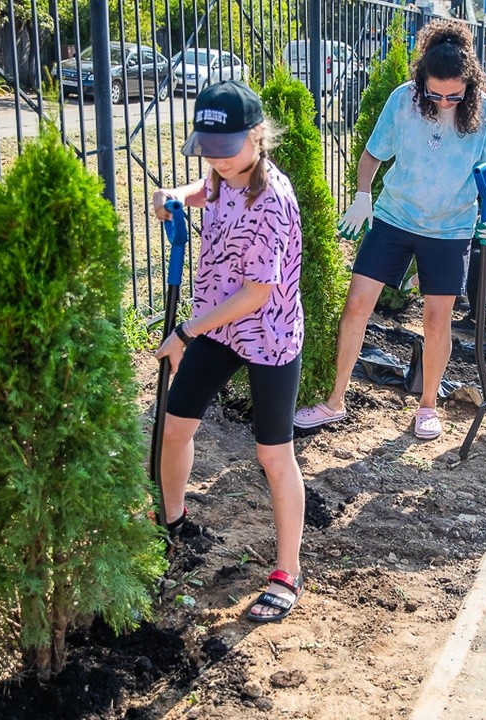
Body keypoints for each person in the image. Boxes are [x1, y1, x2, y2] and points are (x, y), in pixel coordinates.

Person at [294, 20, 486, 440]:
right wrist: (362, 195)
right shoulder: (403, 101)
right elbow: (372, 156)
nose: (445, 102)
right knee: (357, 304)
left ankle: (427, 406)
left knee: (436, 318)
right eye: (435, 93)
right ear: (421, 79)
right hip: (394, 217)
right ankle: (334, 402)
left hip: (450, 228)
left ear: (469, 83)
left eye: (454, 95)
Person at [152, 81, 306, 623]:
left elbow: (255, 294)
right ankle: (173, 521)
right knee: (175, 427)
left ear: (257, 136)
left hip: (267, 334)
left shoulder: (273, 201)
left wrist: (185, 333)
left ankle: (287, 571)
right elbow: (207, 189)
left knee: (273, 454)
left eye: (226, 150)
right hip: (219, 329)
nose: (216, 161)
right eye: (208, 151)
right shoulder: (222, 175)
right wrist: (175, 195)